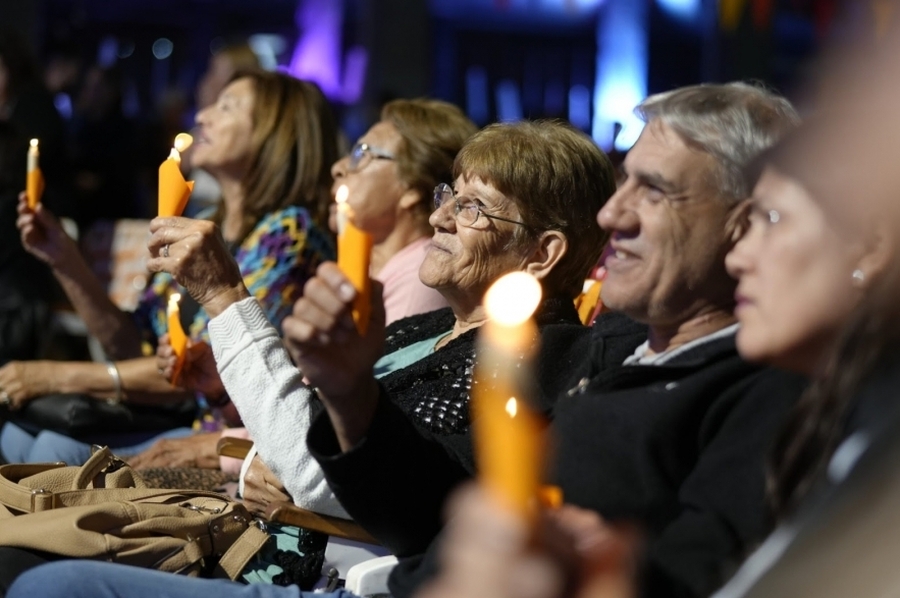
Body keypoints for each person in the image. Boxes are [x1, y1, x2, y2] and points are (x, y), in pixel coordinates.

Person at [0, 83, 807, 598]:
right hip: (312, 549)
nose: (613, 214)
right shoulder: (605, 350)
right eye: (621, 181)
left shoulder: (568, 354)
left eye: (652, 189)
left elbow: (356, 487)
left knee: (49, 576)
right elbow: (414, 492)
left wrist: (244, 343)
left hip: (308, 561)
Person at [419, 119, 895, 598]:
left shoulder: (790, 395)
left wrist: (600, 570)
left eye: (766, 220)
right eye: (624, 183)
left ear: (871, 247)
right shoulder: (834, 403)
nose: (739, 255)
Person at [0, 70, 339, 464]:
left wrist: (57, 375)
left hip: (219, 433)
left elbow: (207, 368)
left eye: (227, 106)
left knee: (50, 451)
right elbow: (130, 345)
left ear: (278, 134)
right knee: (17, 435)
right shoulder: (208, 219)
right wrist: (65, 260)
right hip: (167, 416)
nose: (205, 115)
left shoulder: (290, 233)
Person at [125, 97, 475, 473]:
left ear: (411, 186)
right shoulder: (368, 273)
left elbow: (344, 438)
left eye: (362, 154)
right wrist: (220, 389)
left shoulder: (417, 281)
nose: (340, 167)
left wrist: (218, 449)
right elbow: (307, 401)